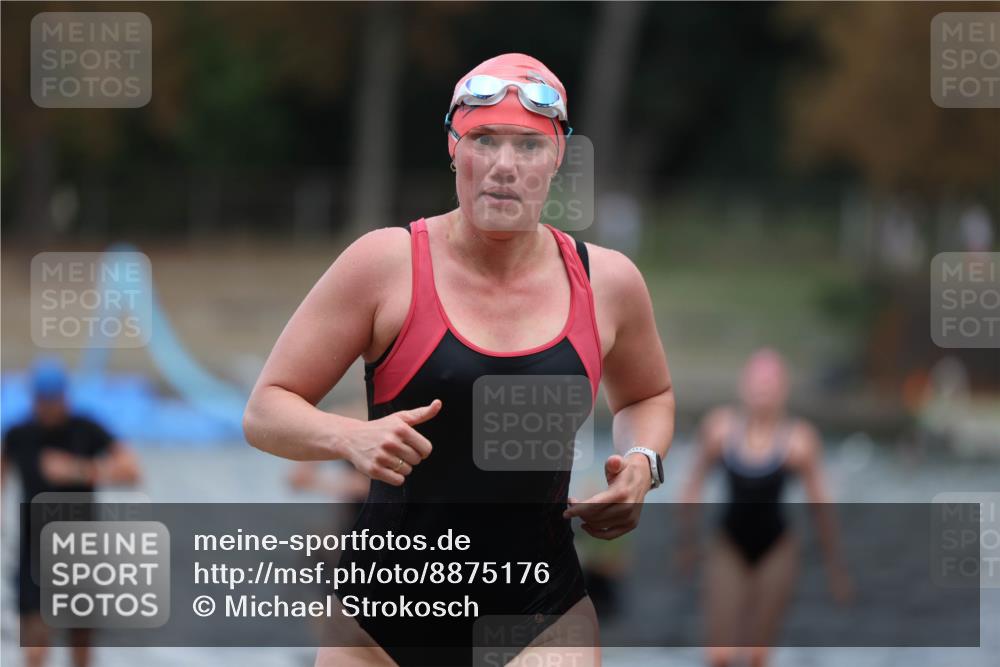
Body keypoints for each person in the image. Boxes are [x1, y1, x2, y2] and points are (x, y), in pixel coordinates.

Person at [243, 52, 674, 666]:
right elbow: (265, 410)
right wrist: (351, 437)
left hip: (539, 613)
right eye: (482, 140)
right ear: (453, 148)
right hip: (381, 624)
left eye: (527, 145)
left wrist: (641, 461)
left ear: (558, 158)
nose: (502, 166)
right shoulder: (384, 265)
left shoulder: (607, 282)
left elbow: (646, 397)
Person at [678, 348, 854, 667]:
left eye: (770, 384)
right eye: (757, 383)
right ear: (743, 386)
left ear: (783, 390)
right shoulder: (719, 429)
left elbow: (821, 507)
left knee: (757, 655)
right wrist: (686, 543)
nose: (763, 391)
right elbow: (692, 487)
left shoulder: (799, 440)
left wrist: (835, 568)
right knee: (719, 654)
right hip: (728, 543)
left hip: (777, 549)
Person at [0, 357, 142, 667]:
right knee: (36, 649)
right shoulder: (18, 435)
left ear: (65, 396)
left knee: (81, 645)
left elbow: (132, 471)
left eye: (54, 399)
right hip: (33, 553)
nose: (49, 407)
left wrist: (78, 470)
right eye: (42, 400)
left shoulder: (86, 429)